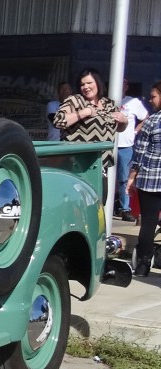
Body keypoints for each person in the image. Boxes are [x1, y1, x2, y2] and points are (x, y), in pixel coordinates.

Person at [126, 81, 161, 277]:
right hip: (152, 178)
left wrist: (132, 177)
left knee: (148, 221)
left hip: (150, 178)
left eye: (154, 96)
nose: (150, 100)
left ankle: (143, 263)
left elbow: (139, 153)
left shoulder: (151, 121)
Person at [53, 69, 127, 145]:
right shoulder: (75, 100)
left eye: (89, 83)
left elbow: (118, 129)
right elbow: (58, 121)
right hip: (80, 151)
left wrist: (124, 122)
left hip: (105, 152)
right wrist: (85, 112)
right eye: (82, 84)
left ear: (98, 83)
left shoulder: (109, 104)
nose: (85, 87)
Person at [116, 80, 150, 221]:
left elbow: (145, 117)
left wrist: (135, 131)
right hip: (108, 145)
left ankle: (125, 208)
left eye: (124, 83)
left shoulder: (133, 102)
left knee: (125, 179)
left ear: (127, 86)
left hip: (125, 145)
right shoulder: (106, 100)